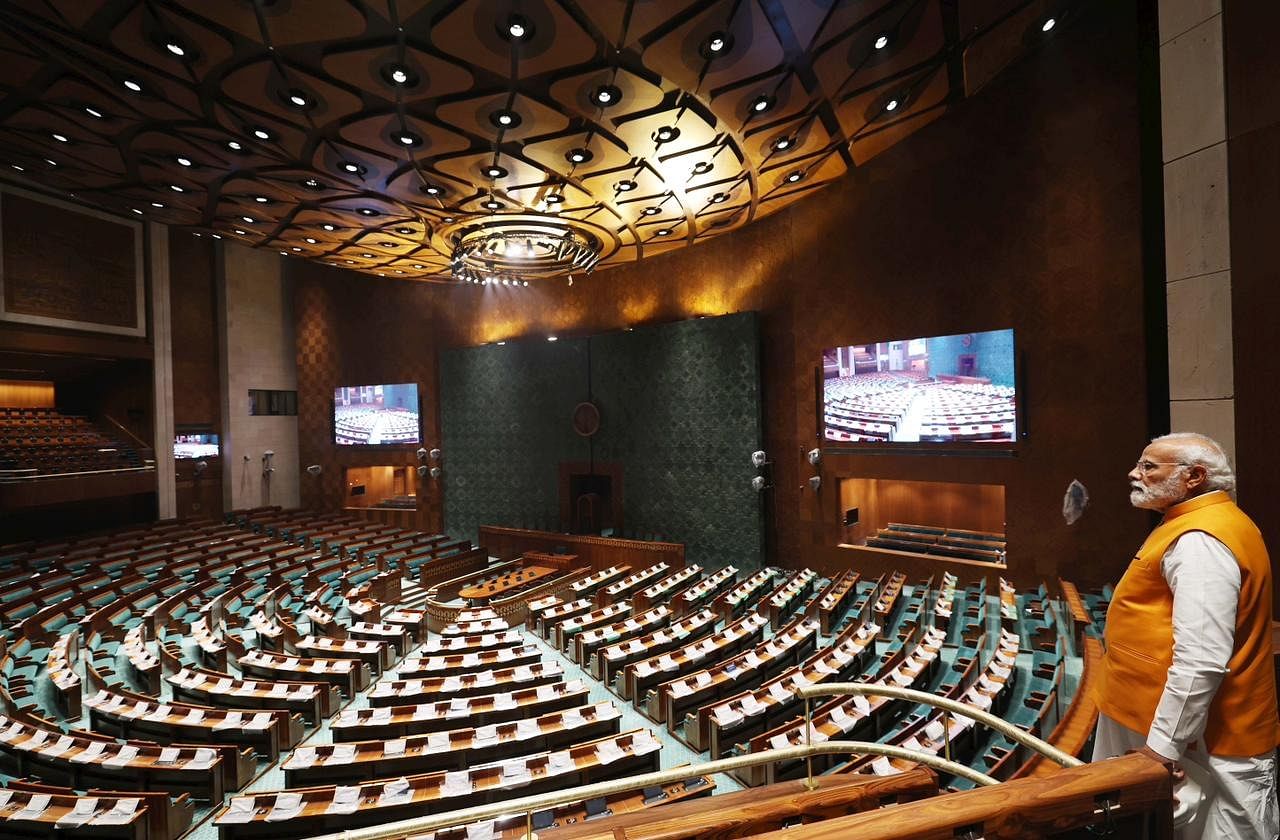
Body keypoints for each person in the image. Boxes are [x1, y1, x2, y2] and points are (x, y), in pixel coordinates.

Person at [1093, 432, 1280, 839]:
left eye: (1148, 466)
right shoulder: (1195, 523)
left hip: (1208, 737)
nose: (1134, 473)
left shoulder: (1200, 540)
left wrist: (1162, 749)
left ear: (1194, 476)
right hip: (1163, 720)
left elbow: (1200, 659)